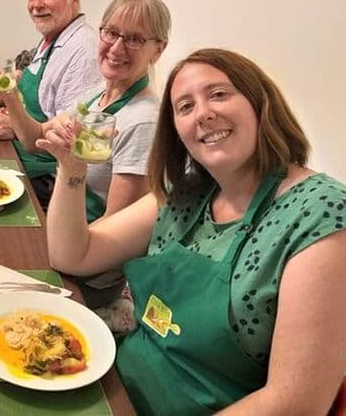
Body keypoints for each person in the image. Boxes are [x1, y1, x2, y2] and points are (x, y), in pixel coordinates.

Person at [40, 48, 346, 414]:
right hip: (115, 389)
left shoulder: (319, 211)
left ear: (259, 102)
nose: (203, 113)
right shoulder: (187, 193)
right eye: (185, 107)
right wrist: (72, 168)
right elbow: (73, 254)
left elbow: (296, 403)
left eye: (218, 94)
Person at [0, 0, 168, 218]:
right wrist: (10, 94)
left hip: (84, 236)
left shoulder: (142, 122)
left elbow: (114, 230)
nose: (116, 48)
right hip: (60, 211)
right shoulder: (99, 94)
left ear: (158, 50)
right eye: (111, 33)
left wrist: (71, 165)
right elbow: (35, 139)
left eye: (134, 39)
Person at [0, 0, 103, 209]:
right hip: (19, 151)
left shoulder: (84, 50)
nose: (37, 4)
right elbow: (38, 96)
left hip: (45, 179)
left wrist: (15, 126)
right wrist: (5, 94)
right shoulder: (54, 37)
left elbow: (68, 141)